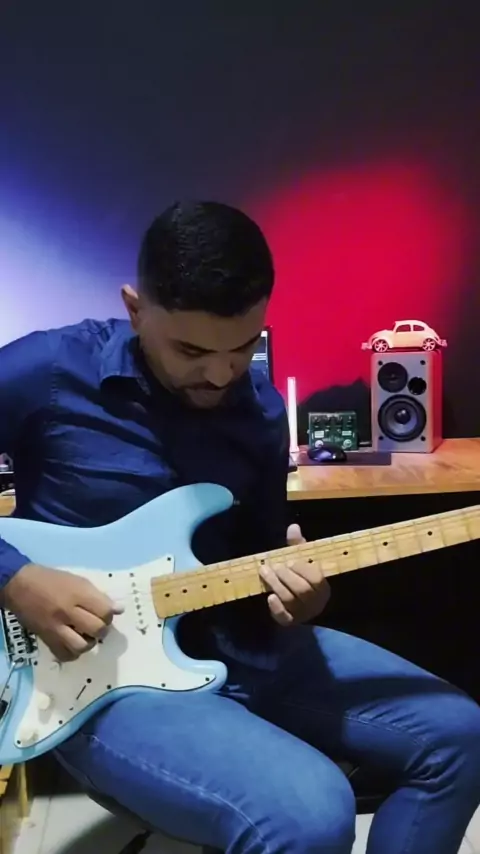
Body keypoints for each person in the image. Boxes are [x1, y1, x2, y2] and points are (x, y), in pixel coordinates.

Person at [1, 201, 480, 854]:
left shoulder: (259, 411)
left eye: (244, 346)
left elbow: (260, 554)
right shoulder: (49, 372)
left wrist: (298, 596)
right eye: (192, 350)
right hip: (93, 672)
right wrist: (16, 578)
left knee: (459, 734)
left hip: (234, 641)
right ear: (136, 310)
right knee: (309, 814)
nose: (222, 374)